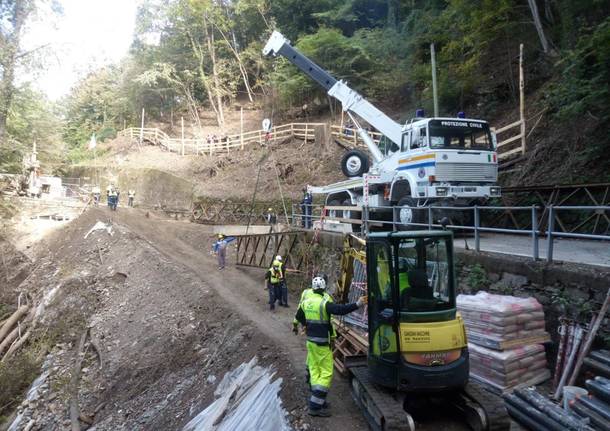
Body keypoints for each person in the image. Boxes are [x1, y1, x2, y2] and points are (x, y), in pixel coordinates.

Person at [293, 275, 367, 417]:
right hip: (322, 344)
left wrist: (306, 326)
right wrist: (358, 304)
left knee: (315, 370)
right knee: (326, 372)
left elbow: (299, 316)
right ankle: (315, 406)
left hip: (310, 343)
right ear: (324, 288)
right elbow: (341, 310)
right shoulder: (324, 303)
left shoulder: (306, 302)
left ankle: (317, 400)